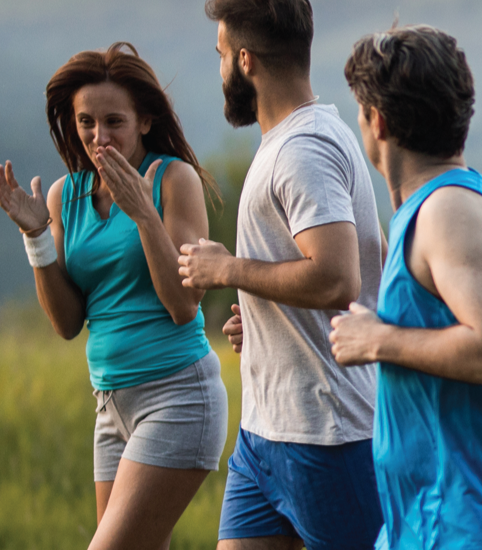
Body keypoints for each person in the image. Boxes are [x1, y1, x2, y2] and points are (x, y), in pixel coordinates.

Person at [327, 24, 482, 549]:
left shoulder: (450, 213)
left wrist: (376, 340)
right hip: (434, 517)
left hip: (469, 527)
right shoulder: (472, 200)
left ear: (378, 121)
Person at [0, 42, 227, 550]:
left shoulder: (172, 180)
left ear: (144, 120)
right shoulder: (64, 196)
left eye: (114, 122)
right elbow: (67, 323)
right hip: (109, 406)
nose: (100, 138)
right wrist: (36, 240)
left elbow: (185, 307)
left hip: (178, 396)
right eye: (85, 123)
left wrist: (143, 213)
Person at [178, 1, 383, 547]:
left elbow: (338, 278)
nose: (219, 67)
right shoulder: (291, 141)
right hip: (263, 433)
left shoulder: (303, 148)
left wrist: (228, 269)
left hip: (326, 434)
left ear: (245, 62)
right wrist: (265, 315)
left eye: (221, 54)